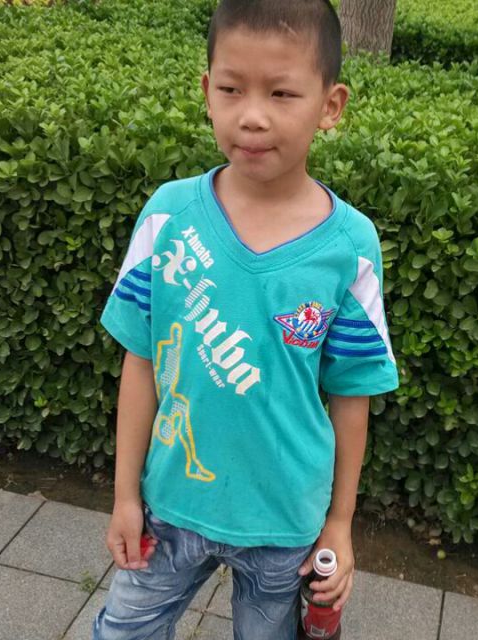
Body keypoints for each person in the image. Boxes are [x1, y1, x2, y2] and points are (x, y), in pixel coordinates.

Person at [92, 0, 399, 638]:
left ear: (331, 105)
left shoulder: (351, 247)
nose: (252, 115)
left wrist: (340, 524)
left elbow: (351, 395)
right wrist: (124, 496)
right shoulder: (167, 216)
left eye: (282, 93)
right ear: (207, 91)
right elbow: (140, 361)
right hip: (168, 508)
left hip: (285, 525)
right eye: (231, 89)